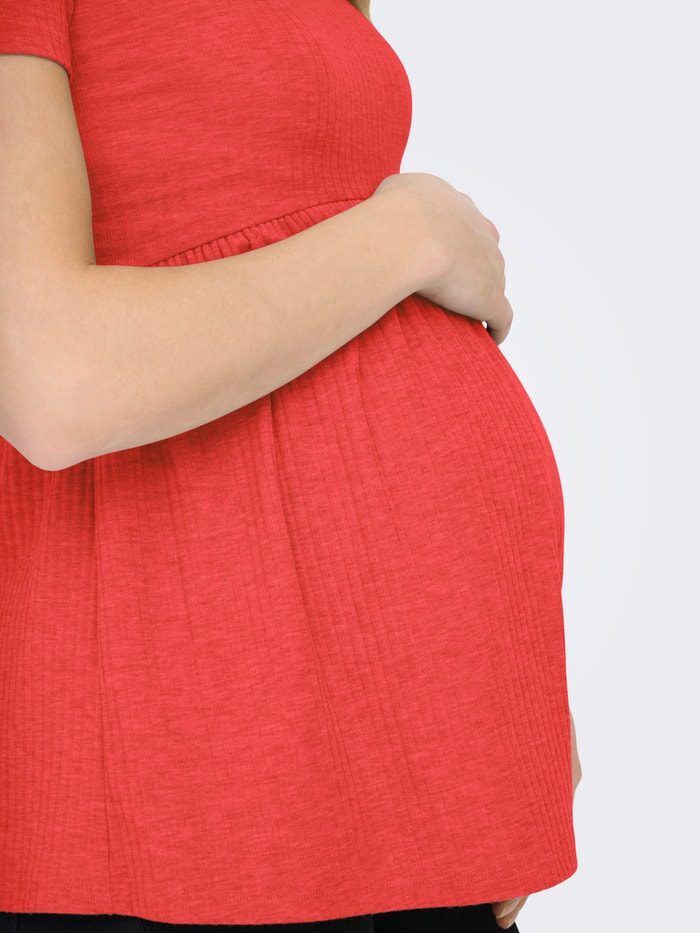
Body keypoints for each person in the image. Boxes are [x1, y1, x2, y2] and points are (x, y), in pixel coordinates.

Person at [0, 0, 582, 930]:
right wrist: (415, 234)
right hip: (200, 730)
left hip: (429, 716)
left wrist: (516, 692)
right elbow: (54, 382)